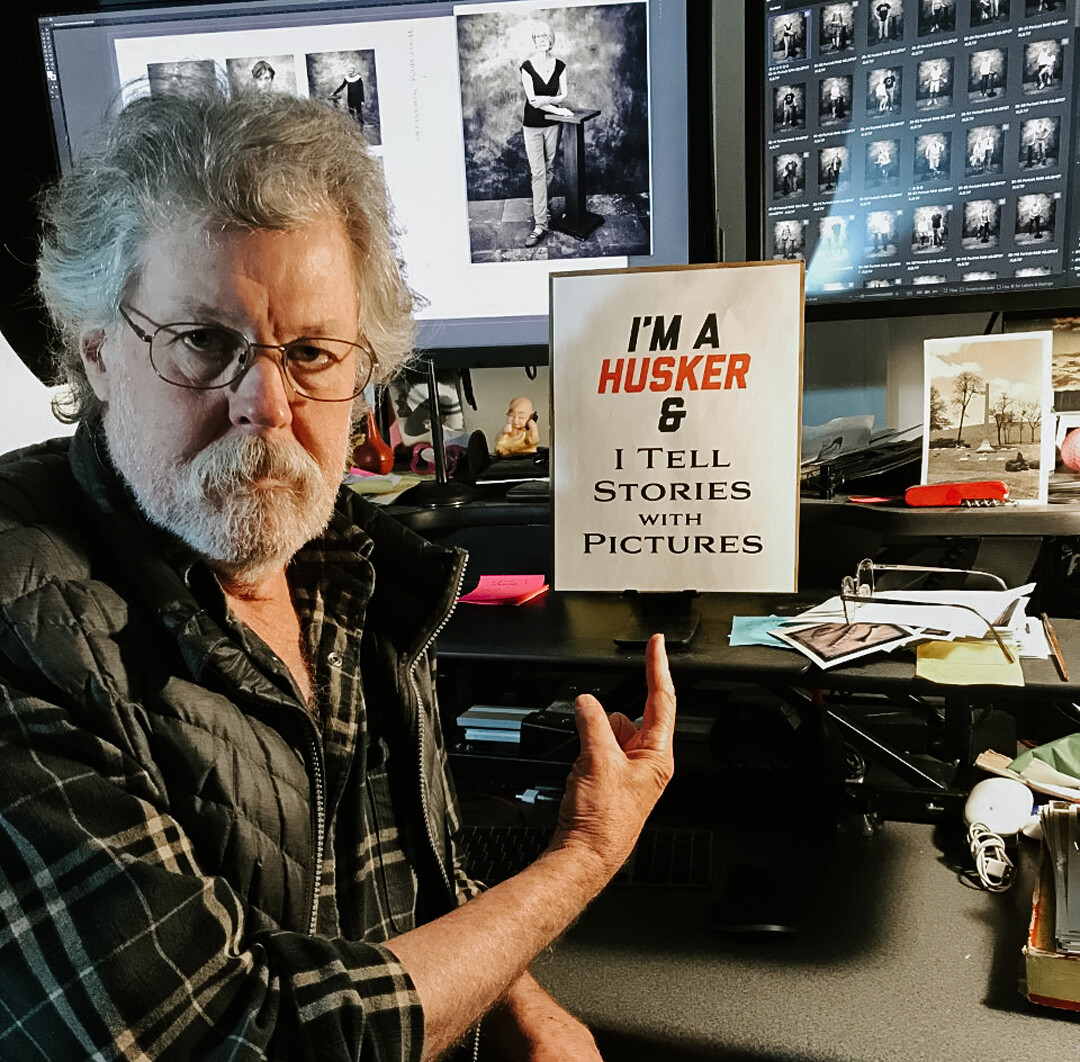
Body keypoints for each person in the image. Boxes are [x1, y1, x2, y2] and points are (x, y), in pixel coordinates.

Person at [0, 87, 677, 1060]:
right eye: (204, 342)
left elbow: (414, 881)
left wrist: (516, 1002)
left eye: (311, 350)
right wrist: (581, 858)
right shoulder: (25, 627)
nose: (268, 405)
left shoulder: (345, 563)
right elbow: (247, 1038)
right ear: (98, 351)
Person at [519, 21, 572, 248]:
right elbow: (532, 101)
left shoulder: (560, 65)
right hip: (532, 125)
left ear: (550, 40)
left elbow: (564, 94)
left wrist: (548, 102)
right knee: (538, 173)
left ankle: (544, 207)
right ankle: (540, 225)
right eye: (537, 37)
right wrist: (557, 108)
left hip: (553, 126)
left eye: (545, 37)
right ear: (534, 41)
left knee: (548, 169)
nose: (541, 40)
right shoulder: (526, 66)